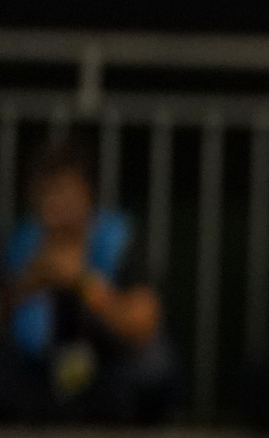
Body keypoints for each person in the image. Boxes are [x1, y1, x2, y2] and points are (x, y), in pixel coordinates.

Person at [2, 145, 174, 423]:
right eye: (46, 192)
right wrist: (29, 284)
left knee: (153, 366)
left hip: (107, 368)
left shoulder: (117, 238)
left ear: (87, 193)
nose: (55, 204)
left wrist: (81, 282)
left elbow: (143, 323)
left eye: (64, 191)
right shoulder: (23, 243)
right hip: (37, 372)